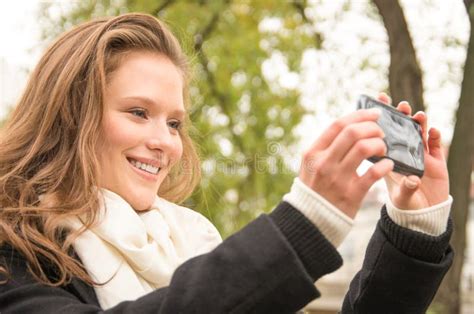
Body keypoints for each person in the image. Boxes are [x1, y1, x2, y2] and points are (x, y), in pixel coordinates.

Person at [0, 13, 453, 313]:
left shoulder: (194, 241)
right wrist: (308, 223)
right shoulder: (13, 256)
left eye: (175, 123)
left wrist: (415, 232)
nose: (164, 142)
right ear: (69, 117)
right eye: (138, 112)